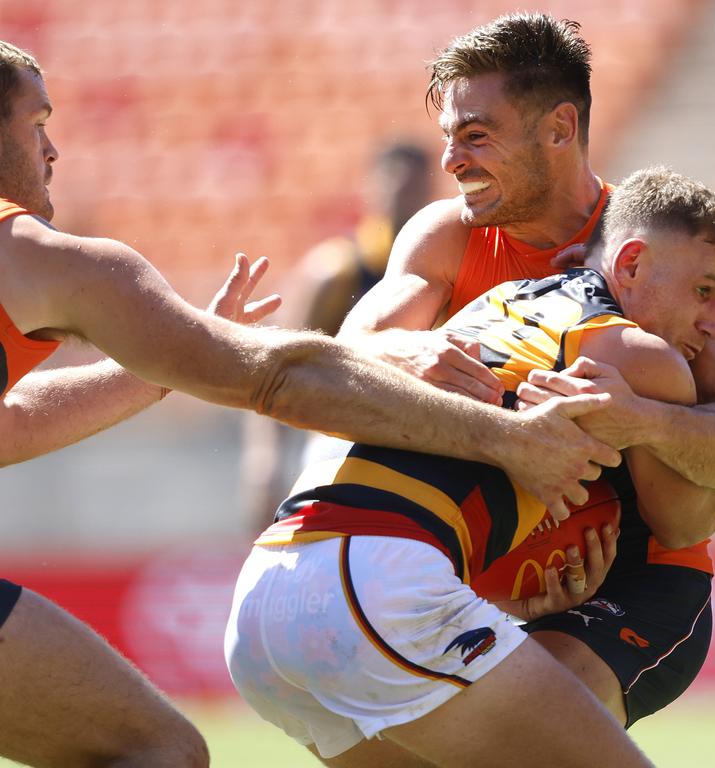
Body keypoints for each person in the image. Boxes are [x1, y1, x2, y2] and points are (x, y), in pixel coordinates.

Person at [0, 40, 619, 768]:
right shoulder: (48, 259)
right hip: (354, 577)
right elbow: (280, 377)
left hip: (292, 601)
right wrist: (507, 439)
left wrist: (162, 362)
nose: (53, 147)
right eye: (35, 122)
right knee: (154, 752)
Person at [338, 12, 715, 732]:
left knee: (537, 725)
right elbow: (356, 349)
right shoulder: (446, 238)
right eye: (449, 136)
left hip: (637, 576)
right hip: (488, 581)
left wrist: (642, 419)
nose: (450, 159)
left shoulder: (668, 256)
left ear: (559, 128)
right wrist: (416, 354)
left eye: (475, 134)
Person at [225, 166, 715, 767]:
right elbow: (684, 525)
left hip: (263, 601)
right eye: (705, 291)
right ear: (628, 265)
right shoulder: (636, 357)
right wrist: (654, 420)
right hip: (375, 584)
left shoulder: (488, 301)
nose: (714, 324)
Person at [240, 143, 432, 526]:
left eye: (415, 188)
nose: (405, 197)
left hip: (419, 447)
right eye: (396, 184)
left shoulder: (440, 272)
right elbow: (279, 366)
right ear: (373, 187)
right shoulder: (336, 272)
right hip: (337, 448)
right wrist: (265, 460)